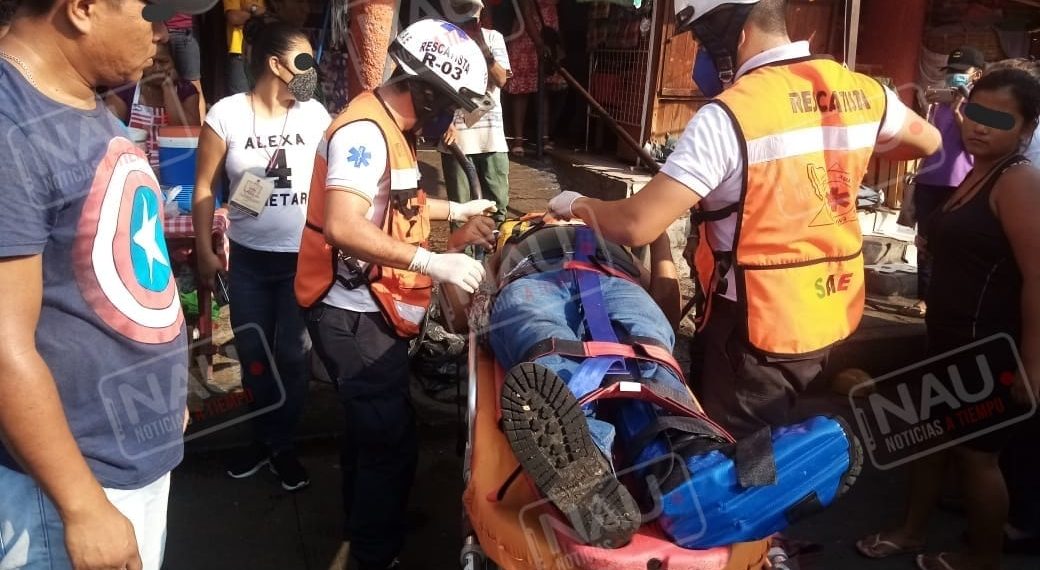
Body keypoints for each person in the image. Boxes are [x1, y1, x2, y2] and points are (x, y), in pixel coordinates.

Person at [547, 0, 941, 439]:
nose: (698, 54)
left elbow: (637, 224)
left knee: (738, 466)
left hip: (756, 328)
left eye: (699, 39)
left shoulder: (729, 115)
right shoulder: (860, 90)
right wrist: (855, 152)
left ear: (735, 37)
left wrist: (576, 203)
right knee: (784, 435)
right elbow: (930, 142)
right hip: (829, 311)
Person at [0, 0, 202, 567]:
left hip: (127, 456)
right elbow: (3, 344)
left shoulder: (82, 98)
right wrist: (81, 505)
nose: (164, 32)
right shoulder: (9, 127)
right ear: (82, 8)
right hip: (66, 487)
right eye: (150, 12)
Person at [294, 19, 497, 570]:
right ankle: (374, 552)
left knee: (371, 432)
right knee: (388, 438)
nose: (451, 119)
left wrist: (456, 212)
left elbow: (395, 203)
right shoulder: (363, 132)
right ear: (426, 91)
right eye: (450, 105)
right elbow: (343, 223)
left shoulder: (391, 125)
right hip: (350, 312)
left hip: (375, 307)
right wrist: (435, 260)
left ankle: (367, 522)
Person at [856, 66, 1040, 570]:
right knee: (929, 441)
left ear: (1025, 129)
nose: (980, 126)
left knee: (978, 458)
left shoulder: (1018, 180)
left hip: (988, 344)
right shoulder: (976, 171)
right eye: (975, 112)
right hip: (948, 335)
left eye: (999, 119)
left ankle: (983, 559)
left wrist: (1033, 362)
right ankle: (911, 531)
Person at [193, 17, 330, 492]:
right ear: (275, 64)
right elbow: (203, 188)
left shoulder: (316, 116)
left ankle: (282, 444)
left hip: (301, 261)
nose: (312, 69)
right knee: (253, 354)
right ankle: (262, 436)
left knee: (293, 356)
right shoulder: (226, 115)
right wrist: (206, 250)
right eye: (304, 60)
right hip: (248, 262)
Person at [901, 46, 984, 318]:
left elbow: (975, 145)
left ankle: (952, 299)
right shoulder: (937, 105)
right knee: (924, 242)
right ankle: (924, 298)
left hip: (960, 184)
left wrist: (961, 112)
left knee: (954, 243)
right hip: (929, 181)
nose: (954, 78)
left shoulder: (983, 108)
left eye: (961, 73)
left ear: (977, 75)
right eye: (951, 73)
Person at [440, 0, 512, 224]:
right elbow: (434, 86)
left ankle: (494, 257)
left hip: (491, 139)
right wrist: (444, 122)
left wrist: (480, 43)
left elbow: (501, 79)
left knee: (497, 208)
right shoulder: (442, 39)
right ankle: (464, 258)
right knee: (460, 213)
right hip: (455, 137)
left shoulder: (493, 38)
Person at [103, 42, 202, 170]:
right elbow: (110, 137)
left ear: (174, 63)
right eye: (152, 62)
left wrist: (168, 89)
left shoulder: (186, 91)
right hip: (132, 169)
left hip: (175, 168)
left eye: (163, 62)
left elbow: (187, 136)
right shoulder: (124, 89)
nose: (157, 68)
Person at [504, 0, 567, 155]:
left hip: (548, 35)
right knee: (522, 91)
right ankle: (519, 138)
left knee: (544, 89)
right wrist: (538, 42)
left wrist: (557, 44)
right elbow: (526, 12)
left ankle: (544, 136)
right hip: (527, 37)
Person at [165, 12, 206, 119]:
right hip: (157, 29)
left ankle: (199, 131)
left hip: (184, 31)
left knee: (194, 84)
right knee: (154, 78)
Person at [223, 0, 265, 94]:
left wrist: (252, 10)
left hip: (264, 52)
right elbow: (234, 17)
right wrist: (257, 13)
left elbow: (275, 14)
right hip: (239, 53)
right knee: (241, 99)